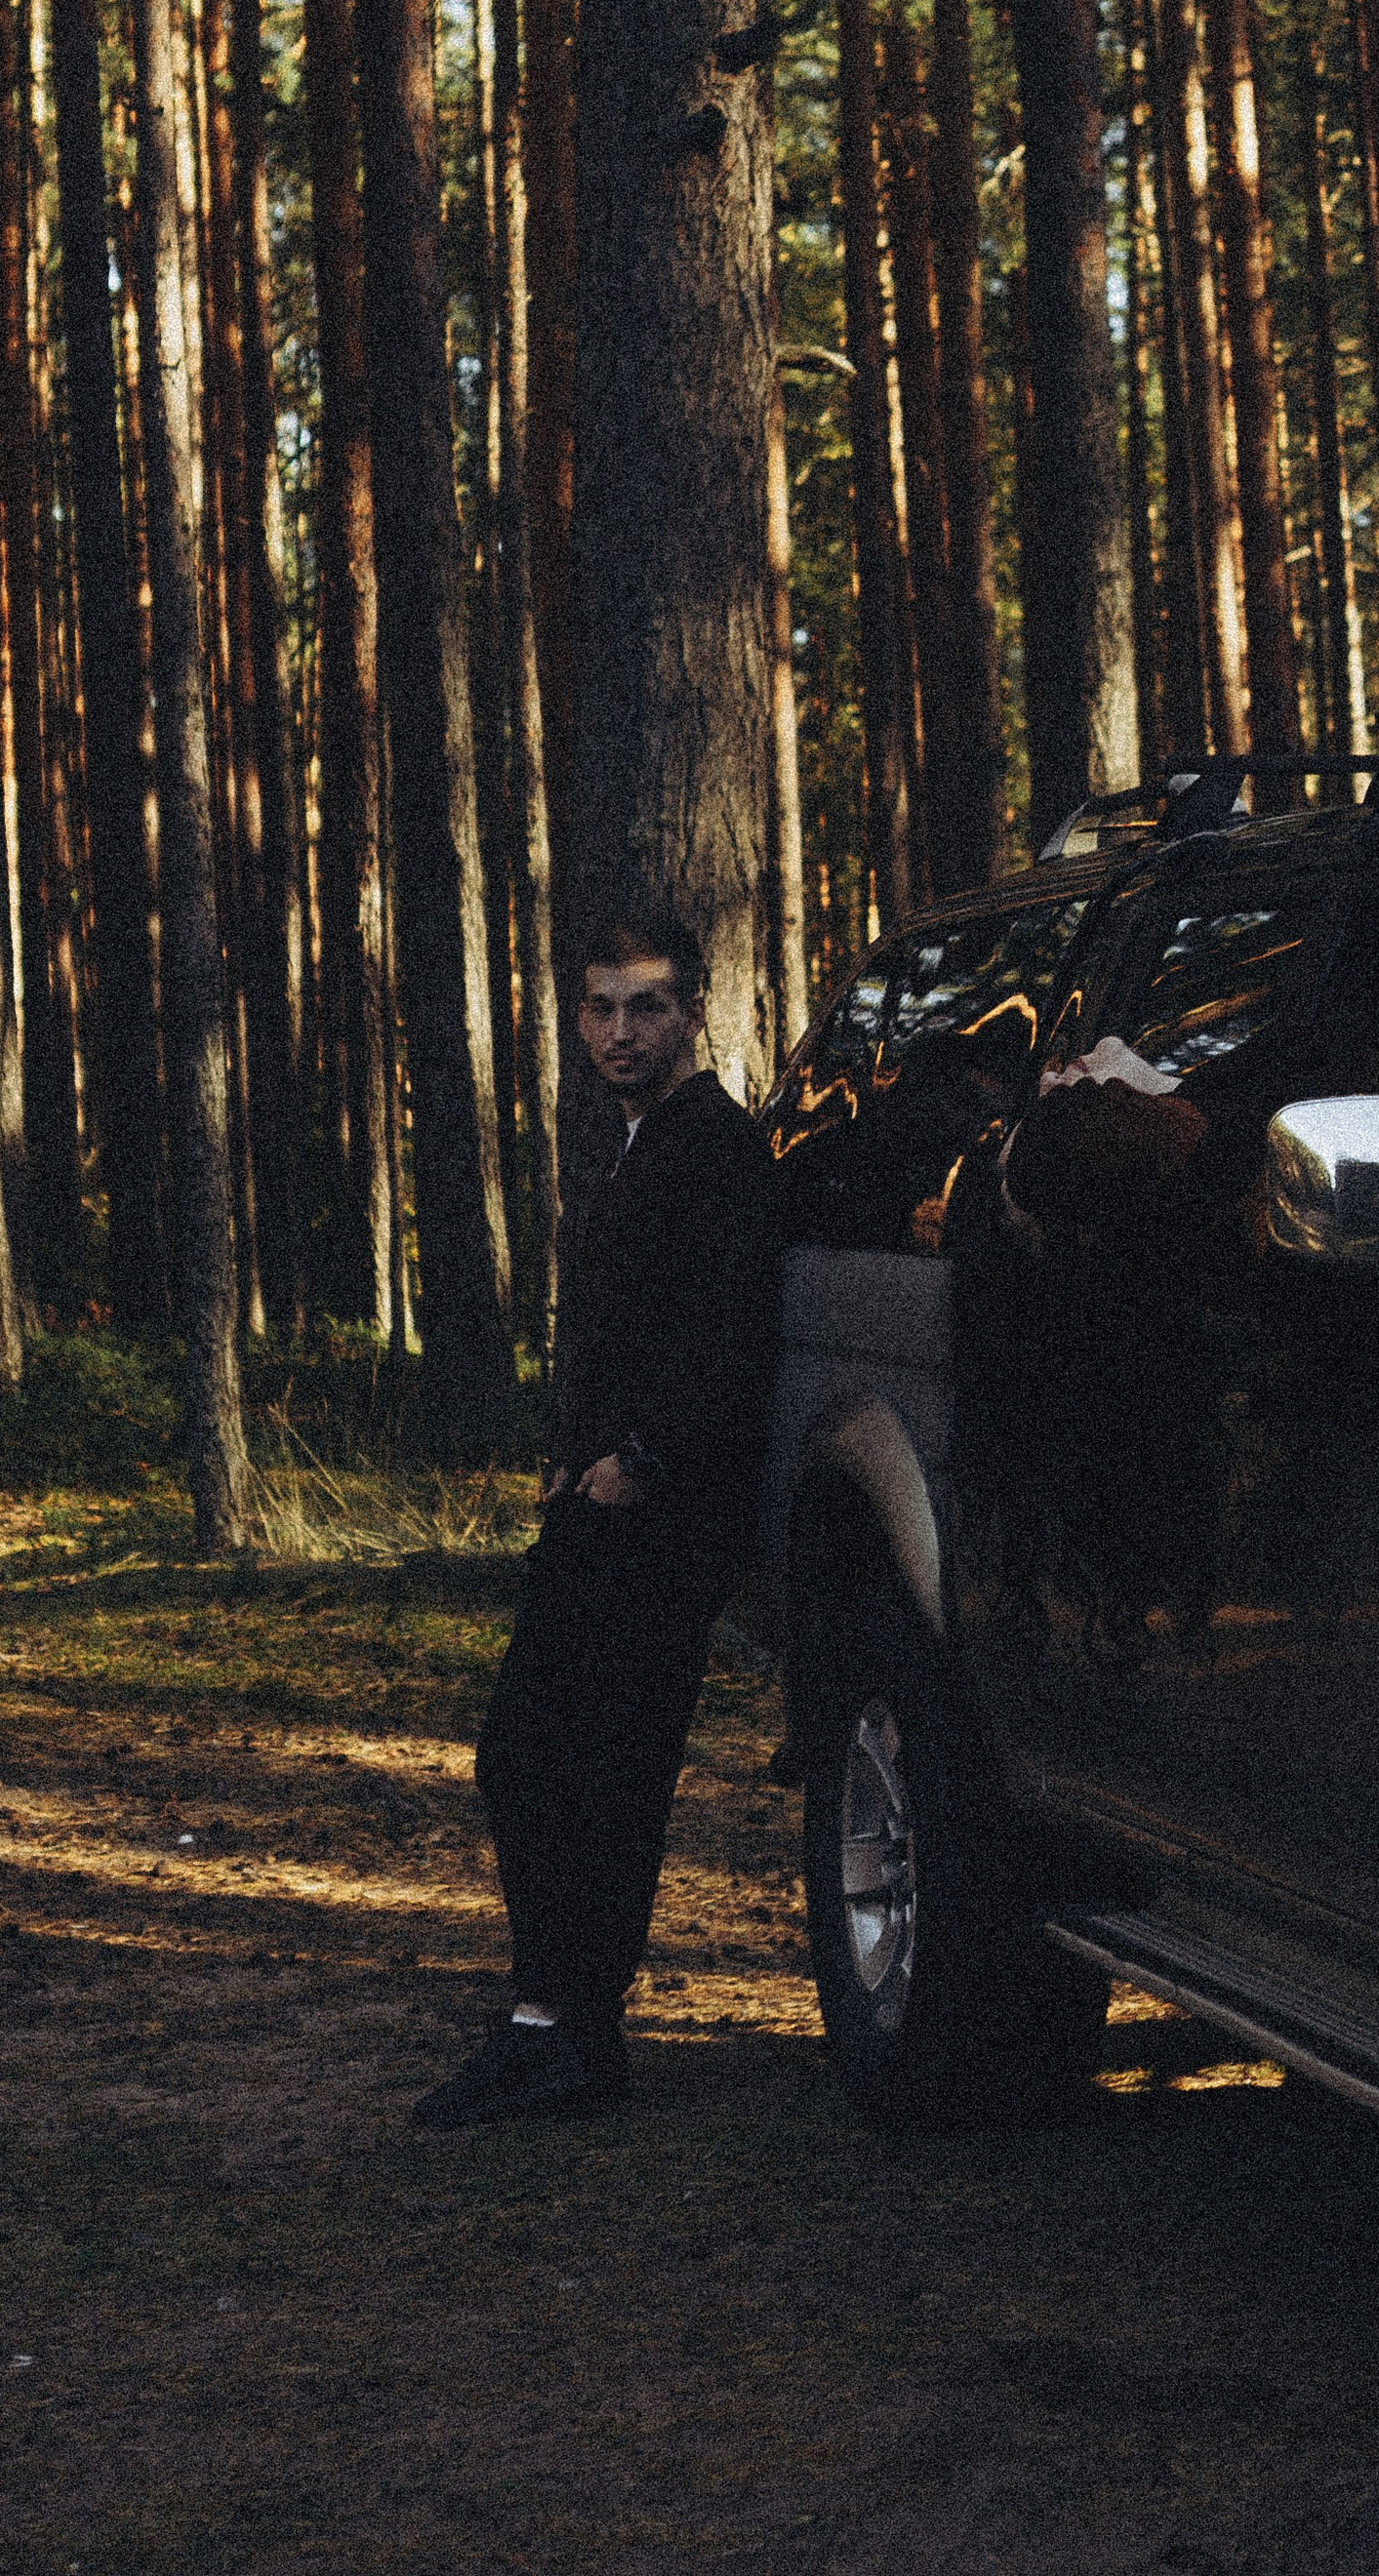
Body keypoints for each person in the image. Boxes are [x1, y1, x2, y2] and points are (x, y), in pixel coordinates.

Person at [412, 906, 781, 2127]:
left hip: (661, 1514)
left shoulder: (715, 1150)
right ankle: (551, 2028)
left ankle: (572, 2040)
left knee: (587, 1771)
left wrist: (637, 1459)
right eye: (600, 1008)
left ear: (693, 1012)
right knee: (536, 1763)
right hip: (604, 1501)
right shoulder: (637, 1143)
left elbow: (731, 1339)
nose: (621, 1032)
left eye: (647, 1007)